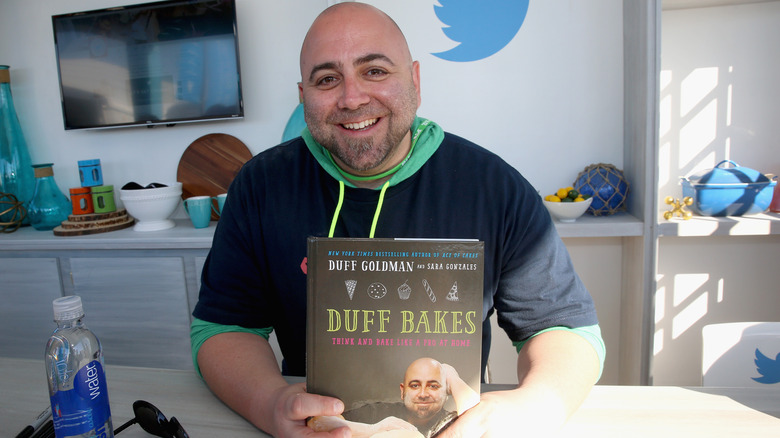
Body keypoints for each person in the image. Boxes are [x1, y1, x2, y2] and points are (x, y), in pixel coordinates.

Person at [191, 2, 606, 437]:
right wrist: (270, 403)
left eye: (374, 71)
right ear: (303, 96)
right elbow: (221, 328)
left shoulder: (493, 187)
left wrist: (533, 407)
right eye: (327, 79)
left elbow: (565, 328)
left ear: (415, 80)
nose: (352, 98)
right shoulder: (261, 186)